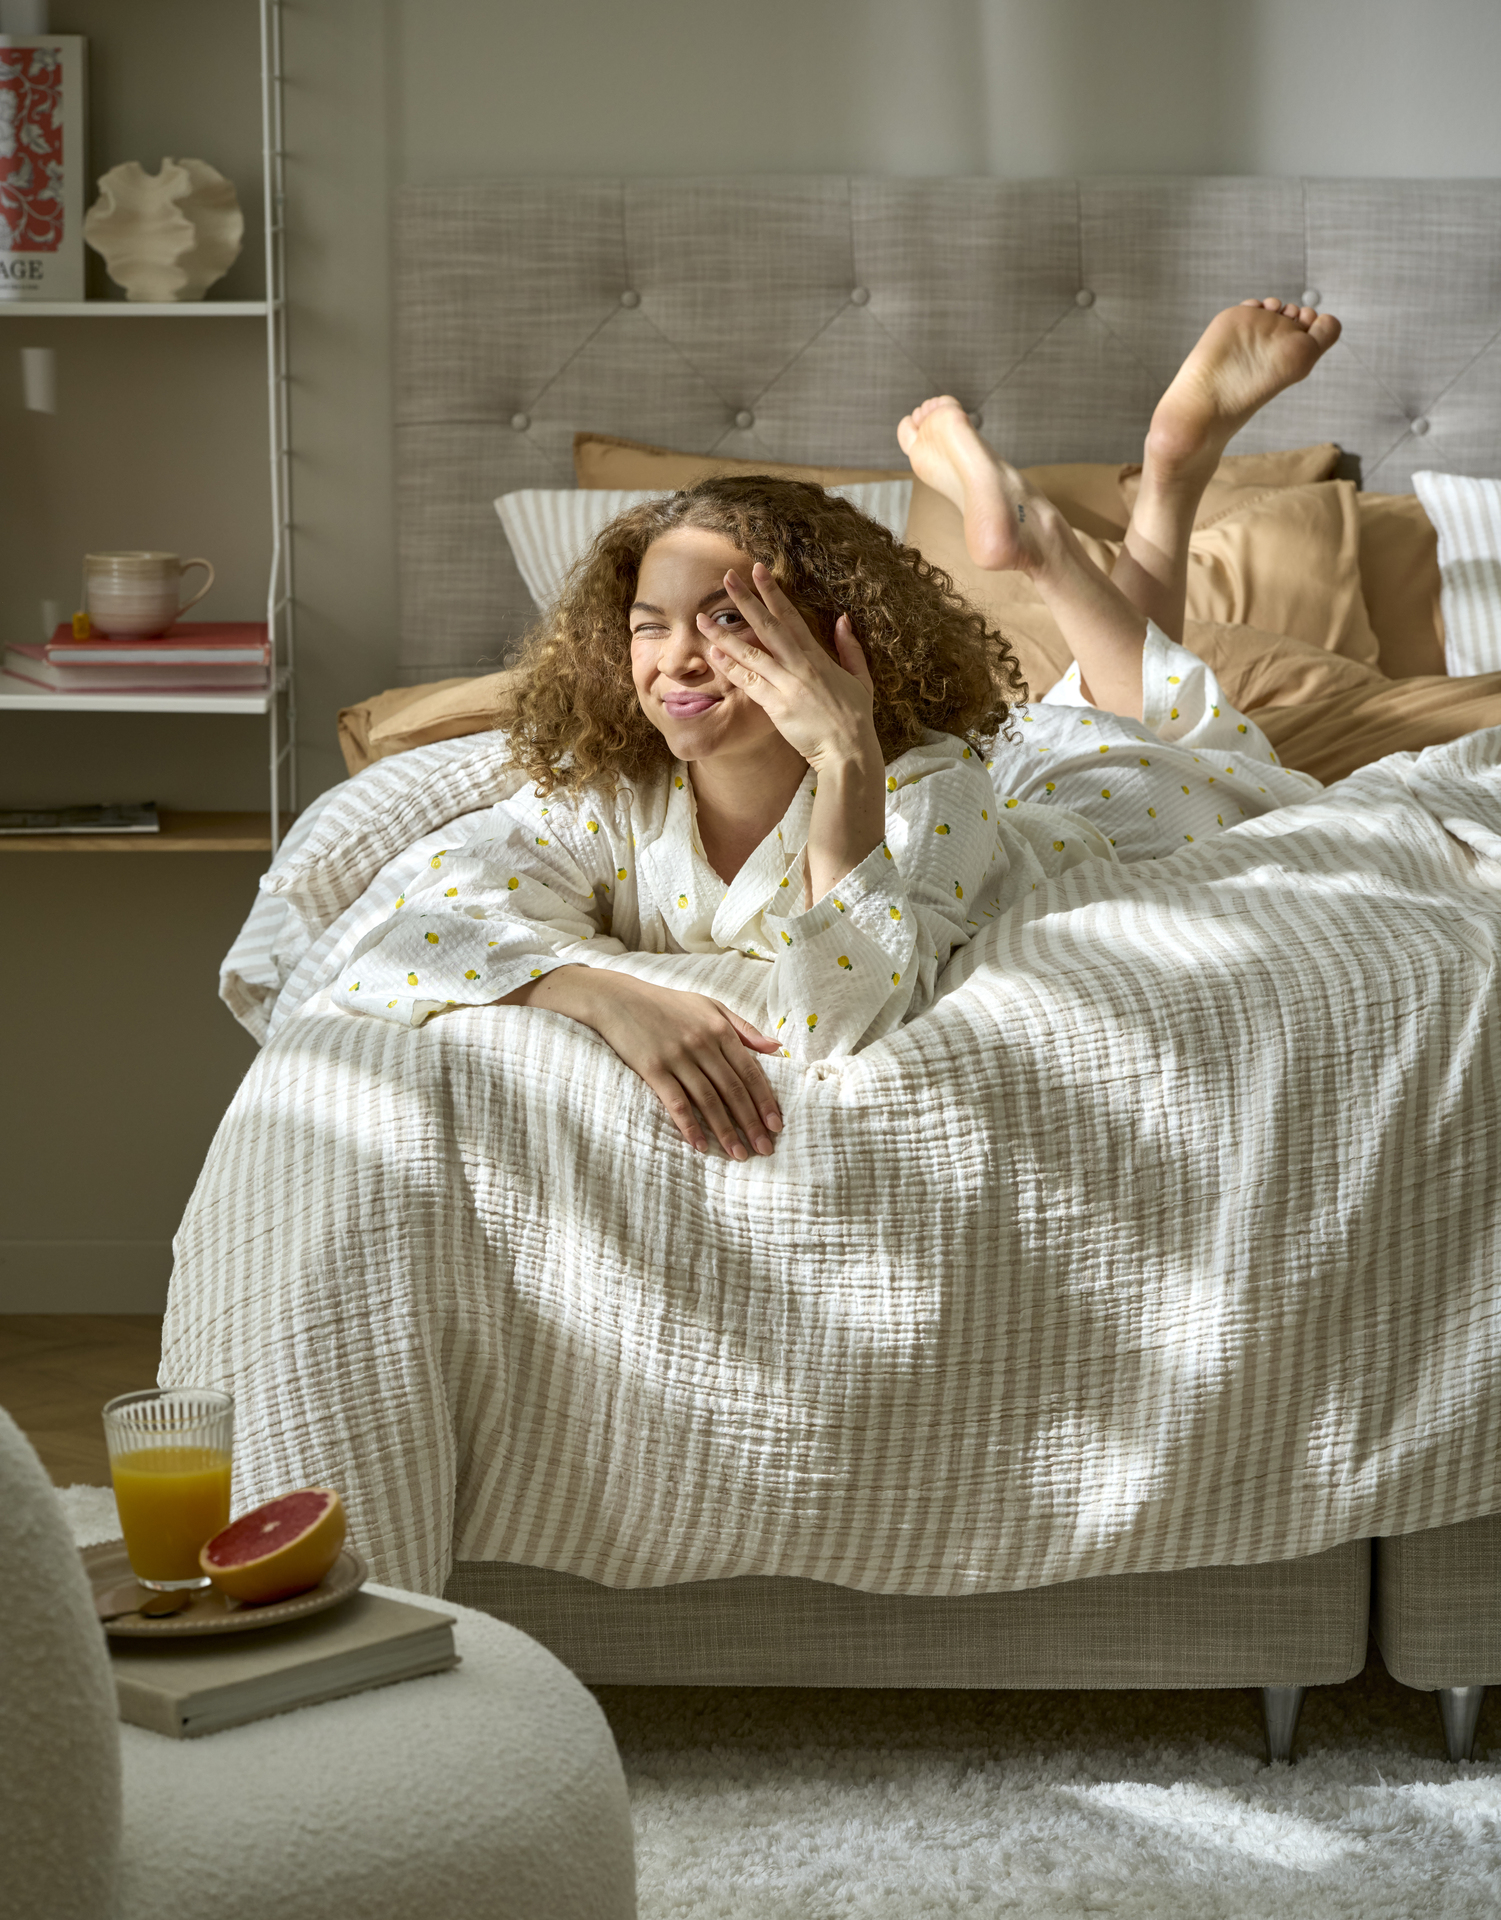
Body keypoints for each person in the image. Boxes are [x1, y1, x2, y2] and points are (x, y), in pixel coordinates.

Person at [338, 298, 1339, 1158]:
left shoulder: (928, 788)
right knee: (1119, 703)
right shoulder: (612, 795)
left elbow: (839, 1021)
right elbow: (393, 942)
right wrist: (596, 993)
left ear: (838, 638)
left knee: (1158, 738)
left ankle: (1095, 508)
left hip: (1105, 822)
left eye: (728, 620)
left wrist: (847, 758)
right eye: (648, 627)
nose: (677, 659)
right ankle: (1149, 482)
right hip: (1014, 776)